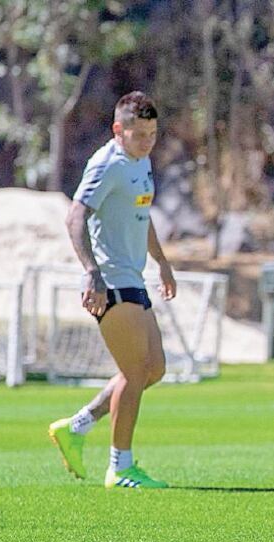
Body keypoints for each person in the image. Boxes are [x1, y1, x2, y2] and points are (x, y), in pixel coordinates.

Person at [48, 91, 174, 490]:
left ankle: (77, 426)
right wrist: (91, 272)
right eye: (139, 135)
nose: (148, 142)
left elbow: (141, 213)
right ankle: (120, 467)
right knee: (134, 372)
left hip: (133, 277)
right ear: (118, 130)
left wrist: (162, 260)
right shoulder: (107, 164)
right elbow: (75, 216)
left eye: (153, 134)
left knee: (154, 369)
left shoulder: (140, 161)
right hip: (111, 282)